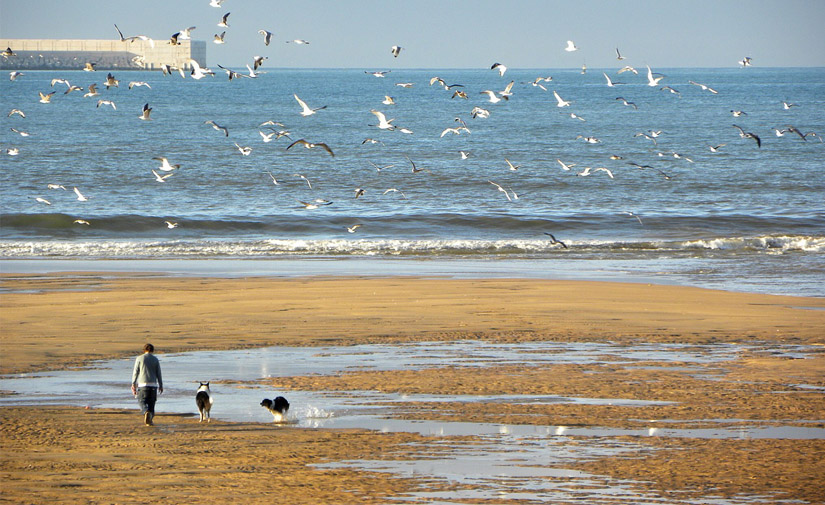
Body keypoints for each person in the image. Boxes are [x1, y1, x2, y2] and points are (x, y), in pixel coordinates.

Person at [131, 343, 163, 426]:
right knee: (152, 403)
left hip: (142, 384)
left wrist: (133, 383)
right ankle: (150, 419)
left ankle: (146, 411)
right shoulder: (155, 359)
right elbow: (158, 373)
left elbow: (136, 372)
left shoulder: (139, 358)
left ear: (144, 350)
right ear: (152, 350)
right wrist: (161, 385)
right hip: (153, 385)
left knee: (141, 400)